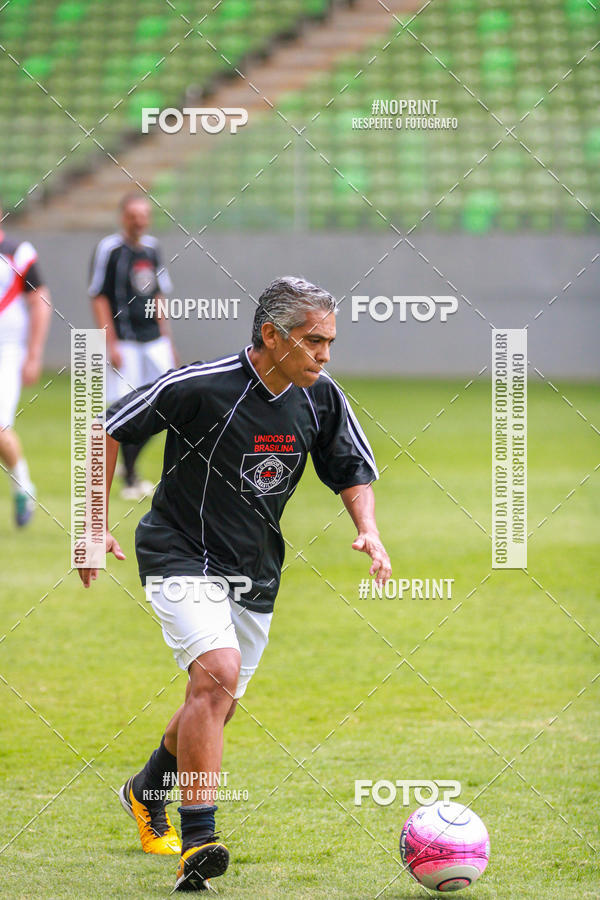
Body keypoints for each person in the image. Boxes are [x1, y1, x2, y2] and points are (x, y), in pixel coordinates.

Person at [78, 276, 392, 892]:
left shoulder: (320, 397)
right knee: (217, 672)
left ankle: (146, 791)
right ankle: (200, 841)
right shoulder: (201, 385)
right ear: (271, 336)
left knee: (216, 702)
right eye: (313, 341)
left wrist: (369, 529)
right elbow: (107, 428)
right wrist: (92, 526)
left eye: (331, 341)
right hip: (178, 551)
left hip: (256, 567)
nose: (326, 355)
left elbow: (351, 468)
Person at [88, 192, 177, 500]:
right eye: (133, 215)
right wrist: (108, 341)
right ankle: (129, 478)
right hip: (124, 341)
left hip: (154, 340)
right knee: (125, 408)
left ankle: (130, 468)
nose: (139, 221)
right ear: (123, 217)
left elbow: (158, 296)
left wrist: (167, 340)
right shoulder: (109, 249)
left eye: (144, 215)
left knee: (170, 403)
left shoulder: (153, 249)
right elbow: (99, 296)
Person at [0, 212, 52, 526]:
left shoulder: (18, 252)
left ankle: (23, 486)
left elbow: (40, 300)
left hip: (8, 352)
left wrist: (33, 354)